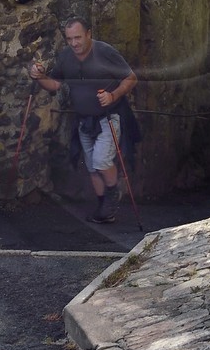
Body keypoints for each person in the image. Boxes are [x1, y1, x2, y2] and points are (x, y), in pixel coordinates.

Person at [28, 17, 137, 223]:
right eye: (70, 39)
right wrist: (39, 77)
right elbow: (55, 85)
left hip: (109, 116)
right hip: (83, 120)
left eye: (78, 37)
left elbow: (131, 78)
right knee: (91, 167)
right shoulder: (66, 57)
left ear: (89, 34)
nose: (74, 43)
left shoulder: (105, 52)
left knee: (101, 161)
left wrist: (113, 95)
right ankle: (104, 207)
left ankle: (113, 193)